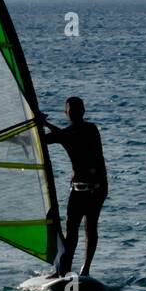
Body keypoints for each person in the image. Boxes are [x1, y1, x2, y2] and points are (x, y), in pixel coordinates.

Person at [41, 97, 108, 278]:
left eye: (77, 109)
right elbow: (52, 138)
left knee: (90, 228)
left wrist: (44, 123)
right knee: (70, 231)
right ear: (66, 113)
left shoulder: (90, 130)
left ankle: (85, 270)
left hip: (96, 189)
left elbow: (65, 135)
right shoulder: (67, 134)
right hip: (77, 189)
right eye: (70, 109)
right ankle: (64, 270)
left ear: (83, 111)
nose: (74, 112)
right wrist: (41, 125)